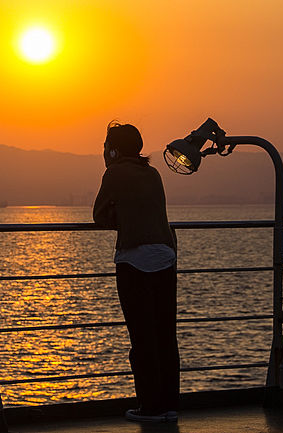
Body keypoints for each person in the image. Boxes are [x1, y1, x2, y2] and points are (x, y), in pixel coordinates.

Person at [93, 121, 180, 423]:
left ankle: (150, 407)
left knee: (142, 338)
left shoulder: (114, 173)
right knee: (166, 335)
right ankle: (169, 405)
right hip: (166, 255)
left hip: (135, 259)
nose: (103, 152)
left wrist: (122, 217)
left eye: (106, 146)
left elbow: (99, 214)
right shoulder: (153, 173)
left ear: (114, 149)